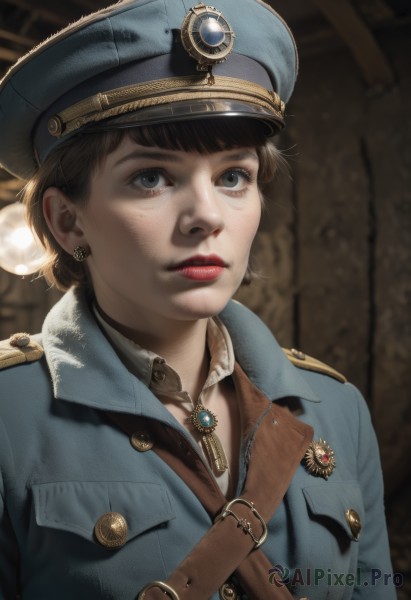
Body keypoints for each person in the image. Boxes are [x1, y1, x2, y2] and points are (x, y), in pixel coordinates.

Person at [0, 1, 396, 598]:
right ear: (67, 220)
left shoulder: (339, 411)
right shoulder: (9, 416)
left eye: (233, 176)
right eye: (151, 177)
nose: (207, 216)